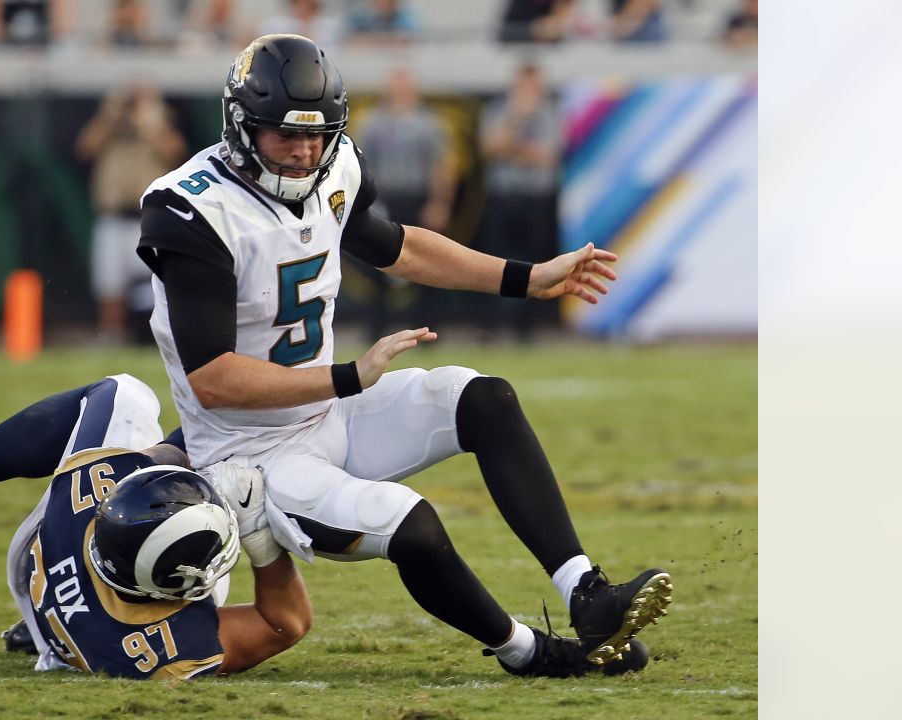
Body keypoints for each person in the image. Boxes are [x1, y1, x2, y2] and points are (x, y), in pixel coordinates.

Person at [134, 34, 671, 677]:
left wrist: (525, 278)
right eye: (284, 134)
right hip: (250, 456)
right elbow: (214, 379)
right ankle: (528, 652)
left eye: (318, 135)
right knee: (411, 525)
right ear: (240, 126)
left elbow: (398, 248)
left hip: (327, 411)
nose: (305, 151)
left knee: (484, 399)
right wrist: (346, 376)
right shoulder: (193, 207)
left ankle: (588, 595)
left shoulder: (334, 166)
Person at [0, 374, 311, 678]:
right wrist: (256, 535)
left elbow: (139, 442)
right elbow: (284, 623)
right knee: (222, 485)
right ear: (176, 593)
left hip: (41, 568)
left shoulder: (84, 499)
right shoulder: (168, 648)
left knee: (125, 394)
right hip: (89, 622)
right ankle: (54, 638)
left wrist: (184, 451)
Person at [77, 83, 187, 343]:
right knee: (110, 284)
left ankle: (160, 336)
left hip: (147, 216)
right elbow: (85, 148)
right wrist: (110, 116)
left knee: (157, 282)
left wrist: (150, 123)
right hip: (113, 215)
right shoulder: (109, 126)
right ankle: (112, 335)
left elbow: (177, 154)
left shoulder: (159, 124)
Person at [354, 66, 454, 338]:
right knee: (377, 264)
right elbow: (362, 166)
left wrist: (439, 202)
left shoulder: (427, 122)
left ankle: (429, 330)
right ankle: (376, 330)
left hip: (417, 197)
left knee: (428, 264)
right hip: (384, 200)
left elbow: (439, 165)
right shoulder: (373, 122)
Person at [479, 62, 562, 340]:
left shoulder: (549, 112)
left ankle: (528, 327)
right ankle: (495, 323)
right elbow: (489, 148)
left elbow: (547, 156)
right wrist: (516, 119)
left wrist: (511, 147)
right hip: (504, 194)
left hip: (537, 197)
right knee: (497, 260)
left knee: (536, 261)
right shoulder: (500, 110)